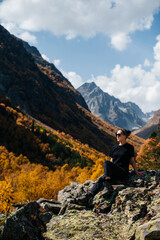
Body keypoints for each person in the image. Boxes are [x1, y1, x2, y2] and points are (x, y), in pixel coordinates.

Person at [76, 128, 144, 206]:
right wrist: (107, 173)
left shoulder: (129, 147)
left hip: (123, 172)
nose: (117, 136)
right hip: (114, 172)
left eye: (119, 135)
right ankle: (87, 197)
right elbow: (111, 161)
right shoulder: (114, 148)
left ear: (125, 136)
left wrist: (137, 171)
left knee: (106, 164)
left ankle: (107, 182)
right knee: (100, 179)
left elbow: (132, 161)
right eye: (116, 135)